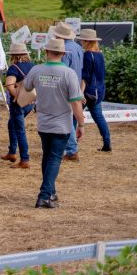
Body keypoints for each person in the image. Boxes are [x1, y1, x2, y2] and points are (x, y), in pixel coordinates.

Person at [22, 38, 86, 209]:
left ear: (46, 52)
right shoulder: (69, 74)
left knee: (48, 156)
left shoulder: (37, 70)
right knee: (54, 158)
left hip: (43, 123)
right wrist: (81, 124)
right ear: (63, 53)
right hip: (62, 124)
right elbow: (76, 102)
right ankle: (44, 195)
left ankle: (51, 192)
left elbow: (27, 87)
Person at [53, 21, 84, 161]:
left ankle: (71, 150)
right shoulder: (78, 47)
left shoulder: (64, 49)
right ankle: (71, 146)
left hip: (65, 86)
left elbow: (61, 69)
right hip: (76, 83)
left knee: (66, 119)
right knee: (71, 118)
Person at [1, 43, 35, 168]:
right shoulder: (32, 66)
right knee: (11, 124)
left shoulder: (14, 68)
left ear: (13, 55)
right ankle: (11, 152)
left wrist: (18, 98)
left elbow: (10, 85)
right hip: (30, 102)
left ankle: (24, 159)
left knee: (20, 130)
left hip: (18, 104)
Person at [77, 29, 112, 152]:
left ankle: (70, 145)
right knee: (98, 117)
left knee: (73, 115)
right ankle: (107, 143)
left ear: (86, 41)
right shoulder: (99, 54)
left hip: (88, 92)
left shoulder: (87, 55)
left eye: (82, 39)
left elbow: (85, 76)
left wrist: (80, 92)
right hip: (99, 92)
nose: (80, 41)